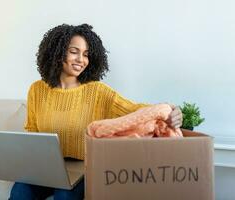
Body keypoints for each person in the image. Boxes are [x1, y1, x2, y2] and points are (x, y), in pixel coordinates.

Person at [9, 23, 183, 200]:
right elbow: (31, 131)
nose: (81, 59)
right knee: (20, 191)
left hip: (84, 170)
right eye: (74, 51)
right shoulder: (37, 90)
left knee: (64, 196)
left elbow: (136, 109)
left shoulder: (98, 91)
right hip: (47, 168)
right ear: (57, 52)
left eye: (86, 54)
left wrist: (170, 109)